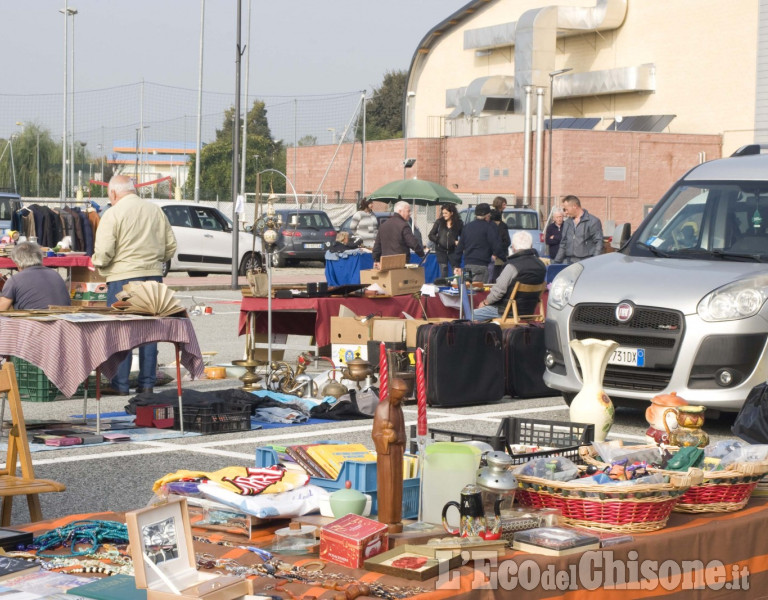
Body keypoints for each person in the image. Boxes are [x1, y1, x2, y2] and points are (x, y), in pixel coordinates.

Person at [92, 175, 177, 395]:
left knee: (123, 332)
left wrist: (98, 264)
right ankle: (147, 384)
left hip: (122, 277)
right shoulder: (155, 210)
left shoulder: (112, 213)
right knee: (149, 332)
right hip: (152, 277)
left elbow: (103, 253)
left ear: (113, 193)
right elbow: (170, 247)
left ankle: (120, 385)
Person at [473, 231, 546, 321]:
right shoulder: (541, 266)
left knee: (470, 316)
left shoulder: (512, 266)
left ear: (514, 247)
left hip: (506, 311)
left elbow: (498, 292)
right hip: (529, 311)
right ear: (531, 245)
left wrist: (485, 302)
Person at [0, 242, 71, 311]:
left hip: (35, 321)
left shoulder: (14, 280)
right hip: (64, 320)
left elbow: (2, 309)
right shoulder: (55, 274)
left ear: (17, 262)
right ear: (40, 257)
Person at [454, 203, 503, 283]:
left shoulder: (467, 227)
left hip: (468, 265)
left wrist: (457, 265)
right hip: (482, 265)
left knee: (469, 291)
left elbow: (460, 247)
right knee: (479, 292)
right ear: (487, 216)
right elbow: (496, 246)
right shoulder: (489, 227)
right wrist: (504, 259)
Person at [372, 201, 425, 268]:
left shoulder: (383, 225)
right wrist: (422, 254)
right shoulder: (404, 225)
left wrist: (376, 260)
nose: (410, 214)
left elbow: (377, 245)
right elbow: (413, 242)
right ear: (400, 211)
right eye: (408, 211)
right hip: (401, 263)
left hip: (385, 263)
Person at [553, 195, 604, 264]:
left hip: (586, 262)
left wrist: (594, 262)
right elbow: (563, 244)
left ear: (575, 206)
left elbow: (599, 243)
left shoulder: (593, 221)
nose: (565, 212)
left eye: (566, 209)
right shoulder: (567, 222)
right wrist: (556, 262)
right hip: (568, 261)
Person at [427, 203, 463, 278]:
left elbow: (463, 236)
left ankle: (456, 287)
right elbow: (431, 235)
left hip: (453, 251)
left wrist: (459, 242)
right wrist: (439, 240)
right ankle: (444, 285)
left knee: (456, 271)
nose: (444, 215)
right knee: (444, 270)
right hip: (441, 251)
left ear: (452, 213)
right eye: (443, 213)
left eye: (446, 213)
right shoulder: (439, 222)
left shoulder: (459, 223)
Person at [489, 198, 511, 282]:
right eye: (504, 204)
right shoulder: (498, 221)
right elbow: (506, 241)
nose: (505, 206)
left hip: (498, 253)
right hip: (498, 254)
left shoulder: (500, 222)